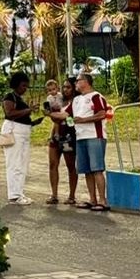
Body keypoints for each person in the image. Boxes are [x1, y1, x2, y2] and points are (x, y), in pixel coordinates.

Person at [55, 73, 109, 211]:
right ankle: (92, 199)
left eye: (78, 81)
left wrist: (83, 120)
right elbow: (65, 114)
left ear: (85, 82)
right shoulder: (76, 100)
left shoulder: (96, 96)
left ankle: (103, 201)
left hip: (94, 136)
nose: (76, 84)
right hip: (80, 137)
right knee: (87, 170)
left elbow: (102, 114)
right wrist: (50, 113)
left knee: (97, 169)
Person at [0, 72, 42, 205]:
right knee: (14, 164)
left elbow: (22, 117)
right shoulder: (10, 96)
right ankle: (13, 195)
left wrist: (33, 122)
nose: (25, 88)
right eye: (23, 86)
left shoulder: (20, 98)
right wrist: (29, 110)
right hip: (14, 132)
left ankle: (19, 192)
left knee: (22, 164)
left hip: (24, 132)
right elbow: (10, 113)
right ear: (16, 84)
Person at [44, 77, 78, 205]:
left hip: (69, 135)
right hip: (56, 134)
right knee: (53, 164)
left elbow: (64, 116)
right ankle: (54, 194)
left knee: (70, 166)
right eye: (64, 87)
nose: (65, 90)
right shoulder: (58, 100)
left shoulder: (75, 102)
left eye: (68, 87)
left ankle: (72, 196)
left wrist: (50, 114)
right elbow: (55, 119)